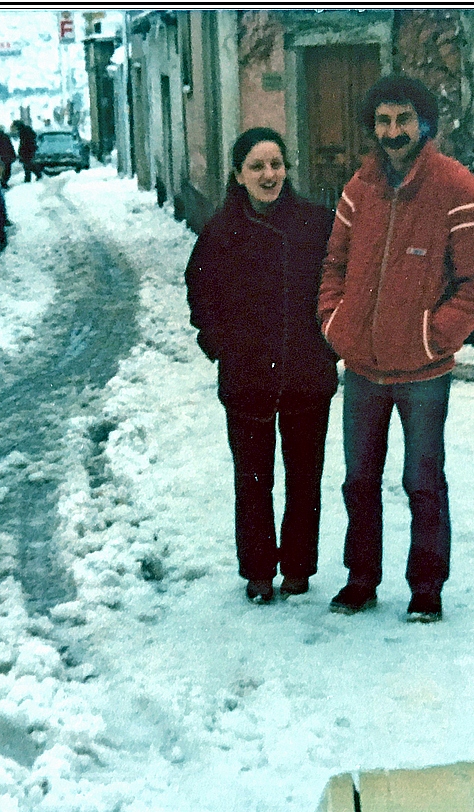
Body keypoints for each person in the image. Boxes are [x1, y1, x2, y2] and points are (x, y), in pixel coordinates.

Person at [318, 75, 474, 622]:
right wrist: (337, 323)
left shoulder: (460, 189)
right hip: (363, 371)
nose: (393, 132)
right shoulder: (359, 188)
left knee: (422, 479)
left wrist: (431, 336)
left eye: (403, 120)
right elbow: (334, 266)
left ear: (424, 124)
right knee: (358, 480)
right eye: (383, 121)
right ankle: (361, 578)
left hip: (423, 372)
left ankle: (427, 586)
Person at [186, 128, 338, 605]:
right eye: (257, 166)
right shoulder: (220, 232)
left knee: (304, 476)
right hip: (247, 377)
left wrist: (330, 344)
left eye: (276, 164)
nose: (269, 175)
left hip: (306, 373)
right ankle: (257, 569)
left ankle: (296, 567)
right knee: (253, 479)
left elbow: (341, 284)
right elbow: (200, 293)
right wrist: (220, 347)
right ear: (238, 175)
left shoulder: (316, 223)